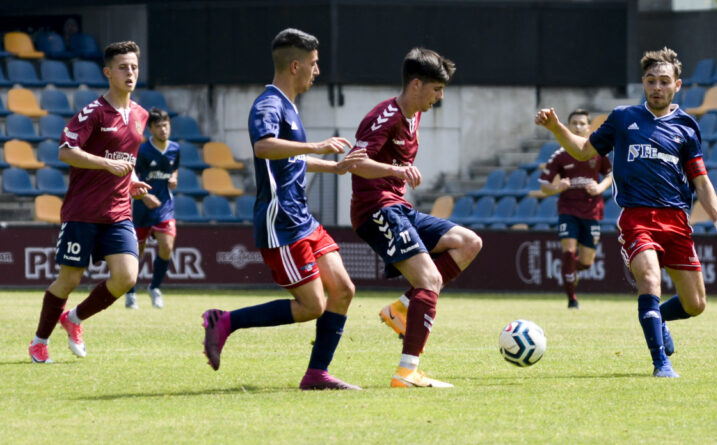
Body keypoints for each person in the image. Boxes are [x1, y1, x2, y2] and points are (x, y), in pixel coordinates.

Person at [535, 47, 717, 378]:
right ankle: (661, 362)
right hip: (637, 218)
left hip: (676, 221)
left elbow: (701, 181)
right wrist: (557, 127)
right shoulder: (622, 118)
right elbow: (583, 149)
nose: (656, 87)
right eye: (650, 80)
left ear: (677, 85)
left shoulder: (687, 127)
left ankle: (656, 319)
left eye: (663, 81)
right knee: (649, 279)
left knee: (696, 304)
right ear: (643, 83)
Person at [201, 28, 367, 390]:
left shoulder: (288, 106)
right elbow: (263, 147)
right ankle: (224, 321)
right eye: (314, 64)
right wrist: (320, 146)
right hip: (282, 223)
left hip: (301, 218)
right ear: (295, 65)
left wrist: (331, 166)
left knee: (343, 289)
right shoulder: (269, 104)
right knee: (312, 306)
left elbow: (289, 161)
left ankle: (316, 374)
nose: (317, 71)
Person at [347, 48, 483, 388]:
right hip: (375, 208)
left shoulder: (414, 113)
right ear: (417, 84)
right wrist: (396, 169)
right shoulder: (385, 116)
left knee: (469, 243)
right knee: (429, 281)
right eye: (436, 89)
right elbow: (354, 161)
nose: (440, 97)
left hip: (398, 207)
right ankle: (407, 372)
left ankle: (403, 308)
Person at [28, 41, 150, 363]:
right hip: (83, 211)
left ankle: (74, 319)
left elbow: (128, 157)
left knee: (126, 277)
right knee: (69, 279)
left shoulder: (141, 115)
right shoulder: (93, 112)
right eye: (123, 67)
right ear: (108, 72)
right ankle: (39, 340)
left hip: (119, 211)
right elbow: (65, 152)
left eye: (134, 67)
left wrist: (133, 179)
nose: (130, 73)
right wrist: (106, 164)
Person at [538, 109, 613, 310]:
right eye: (574, 123)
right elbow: (544, 186)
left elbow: (610, 175)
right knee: (569, 253)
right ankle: (572, 299)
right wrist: (556, 187)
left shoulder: (598, 151)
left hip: (592, 211)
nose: (578, 127)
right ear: (568, 126)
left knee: (586, 263)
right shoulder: (559, 156)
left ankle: (569, 270)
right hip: (568, 210)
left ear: (589, 127)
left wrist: (600, 187)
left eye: (582, 123)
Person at [125, 108, 180, 310]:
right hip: (141, 207)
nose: (163, 129)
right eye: (158, 126)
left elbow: (174, 168)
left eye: (166, 125)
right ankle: (130, 291)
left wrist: (174, 177)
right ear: (150, 129)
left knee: (167, 246)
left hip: (165, 206)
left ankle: (155, 287)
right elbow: (131, 177)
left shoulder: (175, 148)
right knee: (137, 253)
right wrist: (145, 196)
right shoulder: (142, 151)